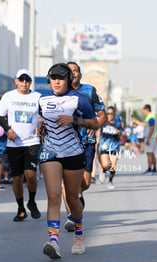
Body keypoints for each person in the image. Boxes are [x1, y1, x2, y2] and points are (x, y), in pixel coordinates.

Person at [38, 63, 98, 259]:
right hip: (50, 151)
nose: (56, 81)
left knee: (73, 198)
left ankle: (79, 235)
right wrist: (40, 126)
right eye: (53, 77)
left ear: (68, 80)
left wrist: (75, 120)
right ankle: (53, 242)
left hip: (73, 152)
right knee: (54, 195)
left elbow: (94, 123)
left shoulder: (79, 99)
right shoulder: (43, 100)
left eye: (61, 78)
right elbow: (40, 119)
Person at [62, 61, 106, 232]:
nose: (73, 74)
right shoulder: (59, 93)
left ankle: (78, 194)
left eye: (76, 71)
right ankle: (72, 218)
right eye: (69, 71)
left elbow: (102, 115)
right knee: (65, 184)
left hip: (86, 142)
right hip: (67, 142)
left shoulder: (89, 91)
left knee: (85, 182)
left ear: (80, 74)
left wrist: (94, 127)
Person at [0, 68, 42, 221]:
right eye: (21, 79)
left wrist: (42, 125)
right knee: (17, 178)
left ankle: (32, 201)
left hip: (32, 141)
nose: (24, 83)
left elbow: (45, 116)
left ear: (30, 82)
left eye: (27, 80)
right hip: (14, 143)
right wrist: (7, 129)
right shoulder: (8, 96)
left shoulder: (38, 97)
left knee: (31, 174)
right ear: (16, 81)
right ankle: (21, 208)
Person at [98, 106, 123, 190]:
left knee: (113, 165)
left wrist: (119, 132)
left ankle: (110, 181)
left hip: (115, 146)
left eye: (111, 114)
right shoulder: (103, 121)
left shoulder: (118, 123)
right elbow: (98, 130)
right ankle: (104, 170)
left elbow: (123, 133)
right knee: (105, 164)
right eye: (107, 113)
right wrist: (97, 141)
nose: (109, 115)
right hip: (104, 146)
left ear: (114, 114)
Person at [132, 104, 157, 175]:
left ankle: (150, 169)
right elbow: (145, 125)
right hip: (151, 137)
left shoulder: (151, 117)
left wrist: (148, 138)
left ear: (146, 109)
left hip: (150, 137)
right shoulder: (149, 116)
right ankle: (154, 168)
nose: (143, 111)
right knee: (152, 153)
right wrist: (137, 122)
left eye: (143, 110)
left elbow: (151, 127)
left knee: (149, 153)